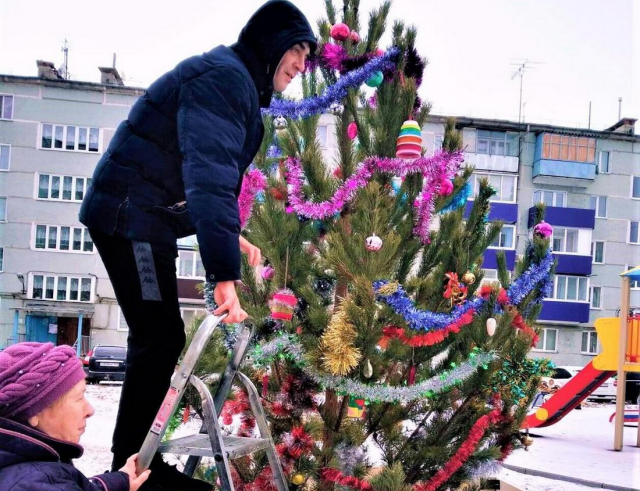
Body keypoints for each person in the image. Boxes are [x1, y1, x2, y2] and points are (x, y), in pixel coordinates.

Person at [78, 1, 316, 489]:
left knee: (159, 335)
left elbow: (209, 176)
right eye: (296, 50)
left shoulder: (233, 83)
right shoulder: (224, 79)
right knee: (158, 336)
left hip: (144, 217)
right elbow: (206, 175)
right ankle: (134, 467)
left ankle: (138, 463)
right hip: (129, 217)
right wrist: (223, 274)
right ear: (270, 45)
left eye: (307, 57)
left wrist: (233, 237)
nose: (300, 66)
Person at [0, 342, 150, 491]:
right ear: (34, 413)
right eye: (79, 398)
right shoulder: (37, 483)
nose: (90, 410)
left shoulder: (26, 471)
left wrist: (121, 481)